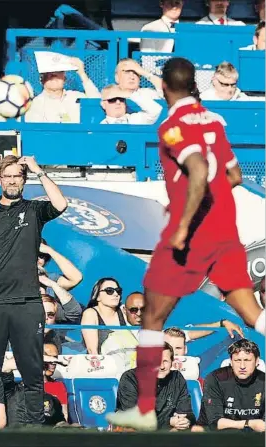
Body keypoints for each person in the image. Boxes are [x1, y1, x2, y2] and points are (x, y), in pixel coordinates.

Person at [106, 57, 266, 431]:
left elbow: (195, 170)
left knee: (152, 316)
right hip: (226, 227)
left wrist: (182, 223)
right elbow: (235, 174)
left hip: (193, 232)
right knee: (250, 310)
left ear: (164, 87)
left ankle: (142, 408)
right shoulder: (213, 119)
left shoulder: (172, 126)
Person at [0, 154, 67, 428]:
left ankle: (34, 430)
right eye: (7, 176)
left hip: (28, 304)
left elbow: (60, 204)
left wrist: (37, 169)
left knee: (32, 373)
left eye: (17, 176)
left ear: (23, 180)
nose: (11, 181)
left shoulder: (33, 210)